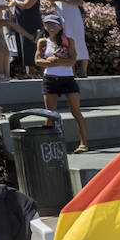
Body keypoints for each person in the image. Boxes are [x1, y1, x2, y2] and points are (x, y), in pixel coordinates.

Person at [36, 13, 88, 152]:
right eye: (48, 24)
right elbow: (37, 61)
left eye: (54, 24)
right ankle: (45, 144)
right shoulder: (42, 42)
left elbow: (72, 61)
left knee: (76, 111)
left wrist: (56, 61)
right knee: (50, 113)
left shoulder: (68, 41)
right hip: (50, 80)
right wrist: (51, 62)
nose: (51, 27)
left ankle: (83, 143)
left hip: (67, 79)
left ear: (60, 26)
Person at [49, 0, 91, 77]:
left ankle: (83, 71)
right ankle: (70, 71)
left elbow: (79, 2)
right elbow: (55, 4)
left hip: (73, 17)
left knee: (78, 41)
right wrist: (52, 3)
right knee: (64, 42)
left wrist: (60, 0)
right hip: (60, 18)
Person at [5, 0, 44, 78]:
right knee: (24, 51)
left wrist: (13, 1)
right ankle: (31, 74)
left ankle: (43, 75)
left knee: (35, 50)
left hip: (32, 26)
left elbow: (27, 5)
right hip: (20, 26)